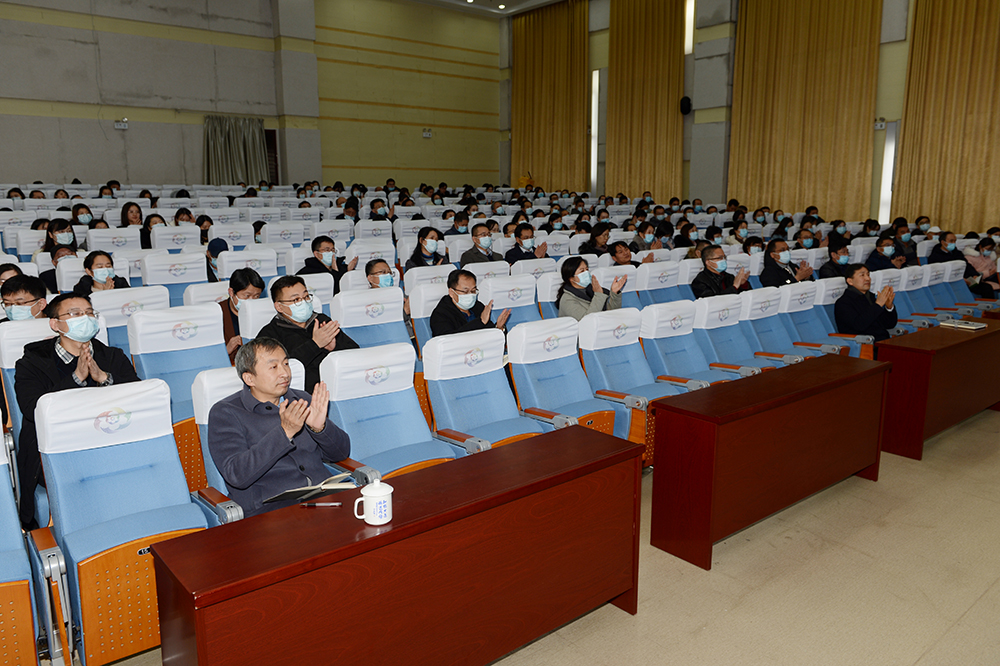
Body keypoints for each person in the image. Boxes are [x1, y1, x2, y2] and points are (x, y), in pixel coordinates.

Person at [15, 292, 140, 527]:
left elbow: (139, 400)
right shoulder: (31, 364)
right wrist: (76, 379)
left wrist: (104, 378)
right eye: (75, 314)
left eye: (89, 313)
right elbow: (33, 409)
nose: (85, 318)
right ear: (55, 324)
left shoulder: (112, 357)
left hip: (110, 439)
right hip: (59, 447)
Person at [207, 338, 351, 517]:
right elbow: (237, 475)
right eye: (273, 367)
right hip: (271, 510)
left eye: (286, 364)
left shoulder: (302, 400)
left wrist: (320, 429)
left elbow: (341, 453)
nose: (285, 373)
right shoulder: (226, 413)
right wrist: (284, 433)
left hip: (323, 498)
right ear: (249, 378)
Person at [255, 275, 359, 391]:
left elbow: (355, 354)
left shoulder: (322, 320)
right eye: (296, 300)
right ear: (279, 307)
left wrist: (334, 348)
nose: (303, 302)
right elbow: (276, 371)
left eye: (306, 297)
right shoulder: (269, 335)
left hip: (339, 385)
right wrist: (315, 344)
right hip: (303, 394)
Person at [429, 269, 510, 337]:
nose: (470, 295)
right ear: (452, 293)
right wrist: (480, 322)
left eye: (473, 291)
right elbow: (447, 341)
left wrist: (498, 328)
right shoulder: (440, 314)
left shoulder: (478, 307)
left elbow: (490, 336)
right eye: (465, 291)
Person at [834, 264, 898, 342]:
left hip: (883, 341)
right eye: (862, 275)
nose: (868, 278)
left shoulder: (871, 297)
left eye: (868, 275)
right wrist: (877, 305)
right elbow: (859, 326)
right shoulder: (843, 303)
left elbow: (889, 325)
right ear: (850, 281)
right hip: (865, 344)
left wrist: (889, 307)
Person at [556, 256, 624, 321]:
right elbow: (588, 321)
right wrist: (599, 295)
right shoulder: (567, 300)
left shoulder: (591, 290)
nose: (586, 273)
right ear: (571, 278)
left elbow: (612, 312)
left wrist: (614, 293)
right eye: (582, 271)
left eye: (587, 269)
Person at [929, 231, 996, 298]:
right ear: (942, 242)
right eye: (951, 241)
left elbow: (967, 265)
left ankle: (990, 304)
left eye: (954, 241)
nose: (953, 243)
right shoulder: (935, 257)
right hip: (951, 281)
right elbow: (939, 274)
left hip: (966, 279)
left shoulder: (957, 253)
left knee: (987, 287)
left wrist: (974, 274)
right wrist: (960, 279)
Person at [218, 267, 264, 363]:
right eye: (247, 296)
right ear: (231, 292)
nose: (251, 301)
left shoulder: (262, 311)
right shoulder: (217, 314)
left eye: (256, 296)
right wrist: (227, 349)